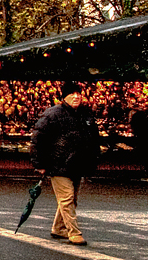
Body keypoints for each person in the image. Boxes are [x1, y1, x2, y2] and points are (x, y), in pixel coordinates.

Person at [31, 82, 100, 245]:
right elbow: (38, 139)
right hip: (57, 163)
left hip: (77, 163)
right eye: (72, 94)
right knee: (67, 198)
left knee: (70, 199)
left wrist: (94, 158)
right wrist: (39, 163)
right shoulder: (52, 114)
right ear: (64, 97)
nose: (76, 96)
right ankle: (74, 232)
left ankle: (58, 228)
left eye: (79, 94)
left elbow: (93, 138)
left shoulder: (85, 114)